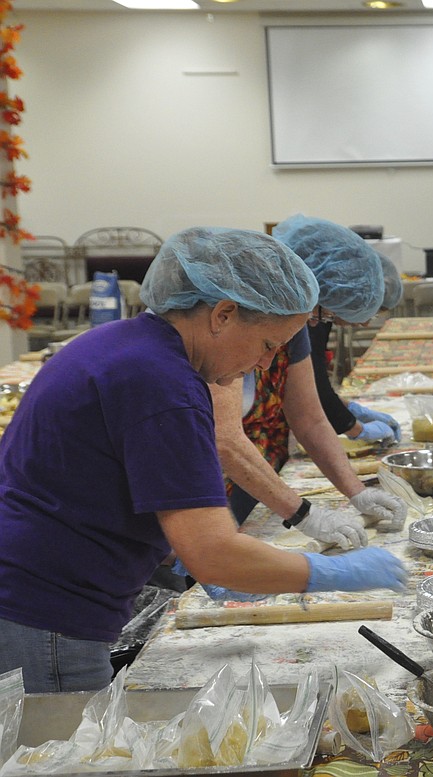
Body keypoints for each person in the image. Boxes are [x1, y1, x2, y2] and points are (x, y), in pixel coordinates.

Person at [0, 227, 408, 693]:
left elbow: (114, 480)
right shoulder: (163, 384)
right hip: (45, 611)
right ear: (224, 314)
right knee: (56, 758)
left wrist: (187, 552)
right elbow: (214, 552)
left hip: (36, 594)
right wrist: (334, 573)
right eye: (268, 345)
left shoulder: (127, 346)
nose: (263, 365)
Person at [213, 215, 407, 543]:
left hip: (253, 472)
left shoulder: (294, 319)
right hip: (201, 488)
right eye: (325, 314)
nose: (266, 362)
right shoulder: (227, 327)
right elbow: (226, 441)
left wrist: (356, 492)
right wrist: (303, 514)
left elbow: (309, 416)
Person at [307, 252, 404, 443]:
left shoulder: (321, 316)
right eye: (369, 311)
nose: (366, 323)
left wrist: (349, 409)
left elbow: (313, 385)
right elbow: (310, 388)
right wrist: (355, 428)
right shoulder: (312, 319)